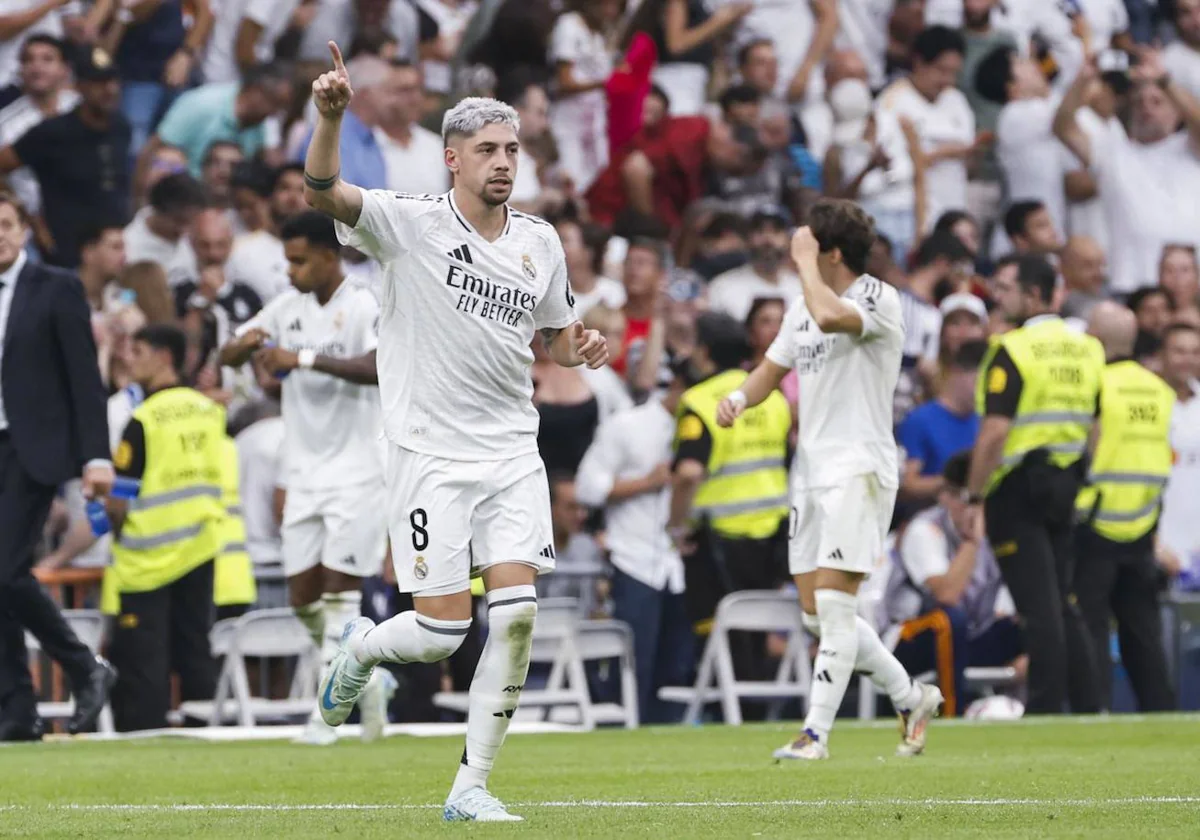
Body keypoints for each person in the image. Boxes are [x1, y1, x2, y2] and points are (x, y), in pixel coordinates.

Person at [301, 43, 608, 822]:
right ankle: (365, 649)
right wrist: (329, 118)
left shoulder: (540, 241)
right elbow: (322, 189)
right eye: (487, 151)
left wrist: (584, 345)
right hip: (429, 453)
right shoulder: (408, 225)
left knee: (519, 614)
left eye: (511, 149)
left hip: (511, 450)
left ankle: (470, 787)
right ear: (451, 159)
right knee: (442, 631)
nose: (504, 162)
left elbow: (559, 337)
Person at [716, 198, 942, 760]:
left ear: (831, 251)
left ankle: (813, 733)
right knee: (818, 614)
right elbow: (773, 368)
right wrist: (740, 397)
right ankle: (911, 696)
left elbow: (831, 317)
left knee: (837, 611)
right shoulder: (802, 305)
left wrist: (804, 264)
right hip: (810, 475)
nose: (800, 249)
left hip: (859, 470)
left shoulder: (877, 297)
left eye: (809, 242)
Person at [218, 210, 390, 746]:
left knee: (341, 597)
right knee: (302, 601)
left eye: (298, 261)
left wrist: (306, 359)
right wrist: (243, 349)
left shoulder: (363, 303)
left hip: (360, 471)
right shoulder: (287, 306)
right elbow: (229, 351)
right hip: (303, 470)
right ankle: (370, 673)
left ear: (328, 256)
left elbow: (382, 365)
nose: (289, 272)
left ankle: (326, 718)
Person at [965, 253, 1104, 714]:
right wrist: (1081, 470)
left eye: (1007, 290)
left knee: (1039, 609)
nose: (1000, 298)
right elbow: (1097, 424)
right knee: (1064, 602)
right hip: (1065, 483)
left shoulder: (1013, 348)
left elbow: (995, 431)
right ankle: (1089, 707)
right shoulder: (1088, 347)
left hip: (1017, 489)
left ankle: (1045, 709)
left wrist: (974, 495)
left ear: (1033, 294)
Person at [0, 191, 116, 742]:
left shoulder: (57, 287)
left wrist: (97, 456)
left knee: (3, 569)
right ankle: (17, 710)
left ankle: (82, 665)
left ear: (23, 230)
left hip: (31, 447)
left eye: (5, 224)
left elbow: (84, 381)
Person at [104, 324, 227, 731]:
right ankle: (204, 738)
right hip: (200, 548)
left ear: (164, 356)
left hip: (148, 559)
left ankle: (145, 742)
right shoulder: (210, 411)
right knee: (196, 652)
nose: (128, 358)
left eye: (138, 350)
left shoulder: (142, 420)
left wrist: (117, 531)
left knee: (144, 664)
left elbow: (119, 501)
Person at [665, 313, 791, 687]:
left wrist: (676, 526)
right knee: (756, 635)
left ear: (704, 352)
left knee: (716, 637)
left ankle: (723, 711)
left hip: (717, 541)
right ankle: (753, 712)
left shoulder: (700, 401)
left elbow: (688, 473)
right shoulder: (774, 398)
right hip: (771, 539)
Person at [1073, 302, 1176, 711]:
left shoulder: (1096, 383)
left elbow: (1089, 444)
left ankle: (1094, 710)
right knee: (1142, 632)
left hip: (1094, 521)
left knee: (1091, 626)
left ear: (1096, 339)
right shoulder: (1160, 390)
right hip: (1143, 522)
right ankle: (1163, 714)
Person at [575, 365, 691, 723]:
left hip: (679, 566)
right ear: (678, 384)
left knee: (678, 666)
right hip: (633, 559)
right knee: (634, 667)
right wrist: (644, 483)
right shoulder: (628, 425)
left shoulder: (705, 426)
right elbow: (587, 488)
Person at [887, 451, 1023, 716]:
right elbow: (947, 594)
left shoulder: (998, 530)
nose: (975, 509)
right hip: (908, 637)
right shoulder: (925, 529)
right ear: (946, 496)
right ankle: (952, 714)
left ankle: (1032, 712)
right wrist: (972, 541)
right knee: (948, 621)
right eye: (967, 500)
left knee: (1036, 620)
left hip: (969, 635)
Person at [0, 46, 131, 268]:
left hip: (111, 248)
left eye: (112, 81)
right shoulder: (53, 132)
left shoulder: (120, 126)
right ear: (80, 86)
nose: (109, 90)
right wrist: (31, 219)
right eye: (98, 83)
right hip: (66, 250)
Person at [896, 340, 986, 510]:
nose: (984, 389)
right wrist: (952, 479)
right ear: (957, 372)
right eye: (979, 380)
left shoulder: (983, 422)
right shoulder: (920, 420)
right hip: (928, 516)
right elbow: (906, 484)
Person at [706, 207, 801, 323]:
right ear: (747, 239)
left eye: (776, 231)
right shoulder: (722, 287)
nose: (768, 239)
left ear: (788, 239)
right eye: (760, 231)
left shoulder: (801, 289)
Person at [1159, 324, 1200, 583]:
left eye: (1195, 352)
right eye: (1179, 351)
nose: (1188, 359)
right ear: (1162, 354)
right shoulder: (1148, 403)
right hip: (1159, 549)